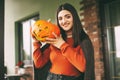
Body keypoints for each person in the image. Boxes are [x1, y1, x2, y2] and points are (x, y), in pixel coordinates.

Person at [32, 3, 95, 80]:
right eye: (60, 19)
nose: (64, 21)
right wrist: (35, 43)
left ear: (74, 18)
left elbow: (83, 67)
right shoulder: (54, 39)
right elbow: (39, 64)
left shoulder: (83, 40)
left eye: (67, 17)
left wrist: (62, 44)